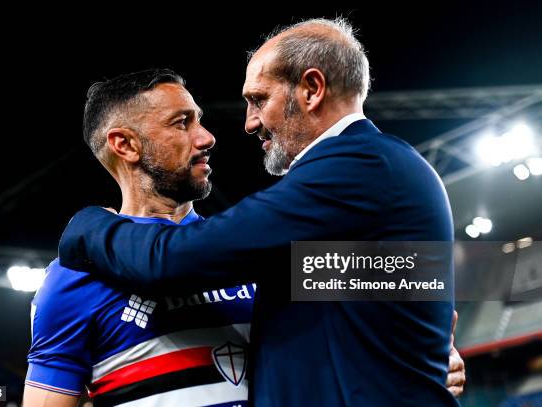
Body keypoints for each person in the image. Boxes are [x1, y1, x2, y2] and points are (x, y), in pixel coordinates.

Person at [58, 18, 464, 405]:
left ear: (311, 89)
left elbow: (173, 259)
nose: (250, 123)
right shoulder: (379, 172)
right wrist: (421, 349)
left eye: (259, 99)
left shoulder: (358, 168)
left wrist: (87, 225)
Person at [23, 70, 255, 407]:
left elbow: (354, 281)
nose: (206, 138)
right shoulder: (72, 279)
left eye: (199, 121)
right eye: (181, 123)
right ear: (126, 145)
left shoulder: (252, 248)